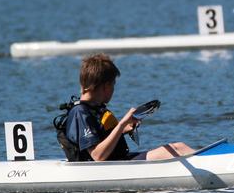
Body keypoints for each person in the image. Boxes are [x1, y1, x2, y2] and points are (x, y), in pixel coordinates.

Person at [60, 53, 195, 162]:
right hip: (108, 169)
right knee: (174, 150)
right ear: (106, 86)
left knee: (179, 147)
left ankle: (206, 160)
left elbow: (103, 139)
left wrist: (124, 129)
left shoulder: (94, 108)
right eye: (113, 84)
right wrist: (122, 124)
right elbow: (97, 156)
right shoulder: (80, 112)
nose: (113, 90)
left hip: (119, 162)